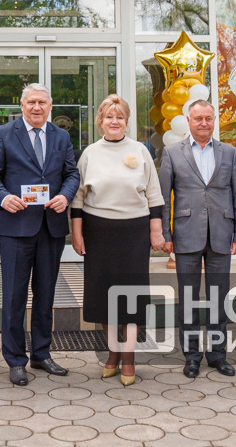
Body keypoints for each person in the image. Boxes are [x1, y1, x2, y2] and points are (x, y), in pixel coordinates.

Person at [0, 83, 80, 386]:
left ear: (50, 106)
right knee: (14, 295)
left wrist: (65, 195)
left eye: (42, 102)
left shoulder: (61, 136)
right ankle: (15, 359)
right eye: (31, 102)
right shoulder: (3, 133)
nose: (37, 107)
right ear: (22, 105)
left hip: (51, 226)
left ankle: (41, 353)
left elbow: (71, 173)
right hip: (16, 226)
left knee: (46, 293)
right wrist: (2, 197)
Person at [70, 95, 165, 386]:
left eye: (120, 117)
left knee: (131, 296)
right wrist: (77, 234)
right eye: (109, 117)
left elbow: (154, 195)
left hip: (134, 232)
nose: (114, 121)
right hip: (98, 231)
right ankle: (112, 352)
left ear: (126, 121)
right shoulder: (90, 153)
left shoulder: (140, 150)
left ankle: (129, 356)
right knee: (103, 295)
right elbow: (78, 198)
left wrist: (156, 231)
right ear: (100, 121)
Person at [159, 98, 236, 378]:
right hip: (186, 234)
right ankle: (192, 356)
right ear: (189, 121)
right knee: (188, 299)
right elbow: (164, 199)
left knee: (219, 298)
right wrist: (165, 234)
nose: (204, 123)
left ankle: (218, 355)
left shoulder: (229, 152)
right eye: (198, 118)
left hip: (222, 232)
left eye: (208, 118)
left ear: (214, 120)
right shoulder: (172, 152)